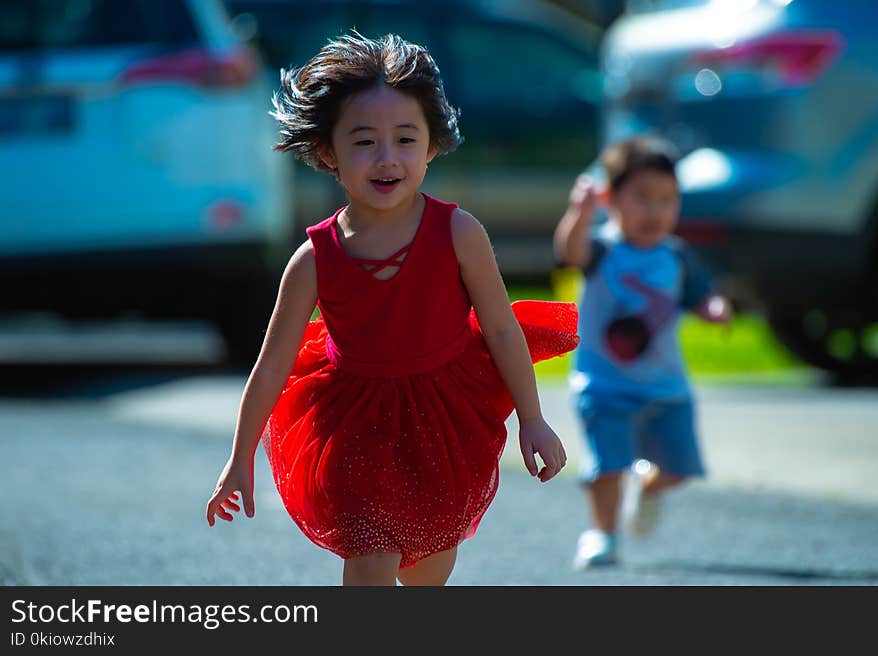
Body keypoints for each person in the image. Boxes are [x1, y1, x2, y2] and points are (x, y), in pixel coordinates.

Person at [205, 31, 579, 586]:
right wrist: (239, 460)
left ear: (431, 146)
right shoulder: (313, 260)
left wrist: (533, 419)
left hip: (441, 421)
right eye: (364, 141)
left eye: (405, 139)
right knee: (370, 557)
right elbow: (271, 368)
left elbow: (501, 332)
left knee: (426, 573)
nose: (387, 158)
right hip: (351, 425)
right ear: (328, 152)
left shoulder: (458, 233)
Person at [553, 135, 732, 570]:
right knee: (606, 465)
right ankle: (602, 534)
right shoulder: (602, 249)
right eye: (643, 198)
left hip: (665, 386)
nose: (656, 211)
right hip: (604, 383)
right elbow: (568, 253)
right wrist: (580, 211)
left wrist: (714, 308)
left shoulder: (677, 256)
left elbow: (700, 295)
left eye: (667, 200)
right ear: (611, 198)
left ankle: (650, 485)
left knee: (681, 468)